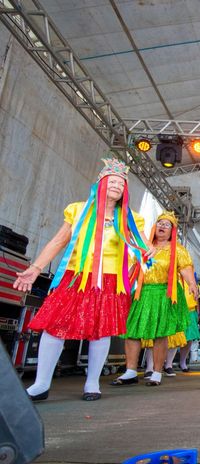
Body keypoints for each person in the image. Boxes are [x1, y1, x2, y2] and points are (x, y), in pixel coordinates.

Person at [13, 158, 151, 401]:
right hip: (75, 277)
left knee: (101, 330)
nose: (118, 186)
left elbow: (143, 245)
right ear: (100, 183)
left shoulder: (131, 218)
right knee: (55, 325)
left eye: (122, 183)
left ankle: (92, 383)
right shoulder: (77, 210)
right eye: (113, 181)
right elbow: (58, 241)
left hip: (110, 281)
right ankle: (41, 384)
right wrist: (35, 268)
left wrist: (147, 250)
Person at [111, 211, 198, 387]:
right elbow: (134, 268)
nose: (162, 226)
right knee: (132, 331)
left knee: (160, 334)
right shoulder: (144, 246)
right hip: (142, 293)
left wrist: (191, 283)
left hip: (164, 294)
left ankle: (157, 372)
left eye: (167, 224)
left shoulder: (178, 250)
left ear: (172, 230)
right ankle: (130, 371)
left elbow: (186, 268)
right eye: (160, 223)